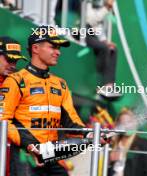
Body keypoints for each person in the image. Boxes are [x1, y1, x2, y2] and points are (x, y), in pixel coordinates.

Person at [0, 25, 87, 176]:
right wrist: (31, 146)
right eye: (53, 47)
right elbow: (3, 119)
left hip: (53, 155)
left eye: (59, 48)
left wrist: (89, 135)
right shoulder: (15, 80)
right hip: (25, 156)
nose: (58, 52)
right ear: (35, 48)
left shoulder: (61, 83)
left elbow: (71, 120)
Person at [0, 36, 28, 176]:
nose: (13, 64)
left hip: (13, 149)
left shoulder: (18, 82)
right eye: (9, 59)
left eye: (15, 61)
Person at [85, 0, 119, 98]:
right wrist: (106, 8)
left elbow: (96, 26)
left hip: (91, 34)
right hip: (79, 31)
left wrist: (104, 40)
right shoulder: (86, 3)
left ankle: (109, 85)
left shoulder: (99, 5)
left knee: (112, 49)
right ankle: (100, 83)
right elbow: (89, 20)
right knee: (104, 48)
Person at [109, 108, 144, 176]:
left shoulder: (141, 144)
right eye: (123, 123)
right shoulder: (113, 144)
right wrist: (109, 160)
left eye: (129, 122)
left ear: (135, 123)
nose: (126, 126)